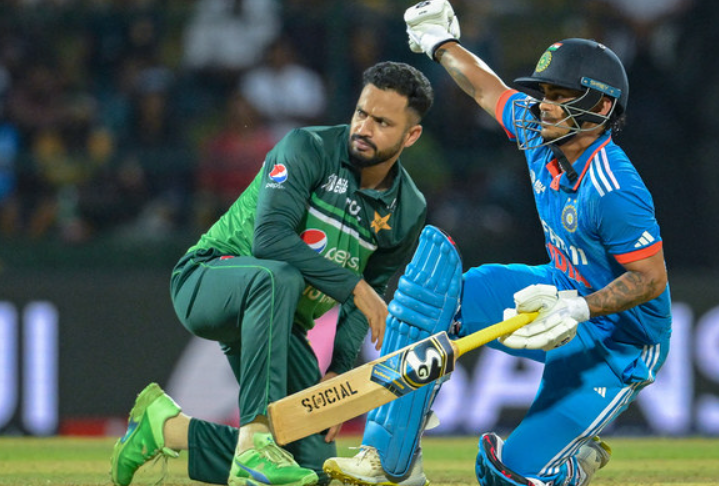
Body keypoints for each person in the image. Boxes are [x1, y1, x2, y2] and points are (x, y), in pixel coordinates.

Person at [323, 2, 672, 486]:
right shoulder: (537, 132)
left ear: (600, 107)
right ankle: (390, 459)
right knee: (435, 298)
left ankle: (574, 462)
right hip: (559, 289)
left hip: (620, 343)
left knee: (508, 476)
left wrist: (581, 309)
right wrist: (442, 44)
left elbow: (651, 279)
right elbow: (486, 87)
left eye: (560, 95)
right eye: (545, 93)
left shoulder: (615, 189)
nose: (544, 105)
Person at [109, 61, 435, 486]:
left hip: (281, 326)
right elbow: (270, 239)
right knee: (277, 276)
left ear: (411, 136)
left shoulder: (408, 209)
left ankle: (164, 428)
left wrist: (338, 372)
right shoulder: (307, 147)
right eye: (361, 113)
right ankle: (255, 442)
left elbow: (369, 298)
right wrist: (353, 286)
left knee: (315, 470)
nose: (363, 128)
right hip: (208, 278)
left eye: (382, 123)